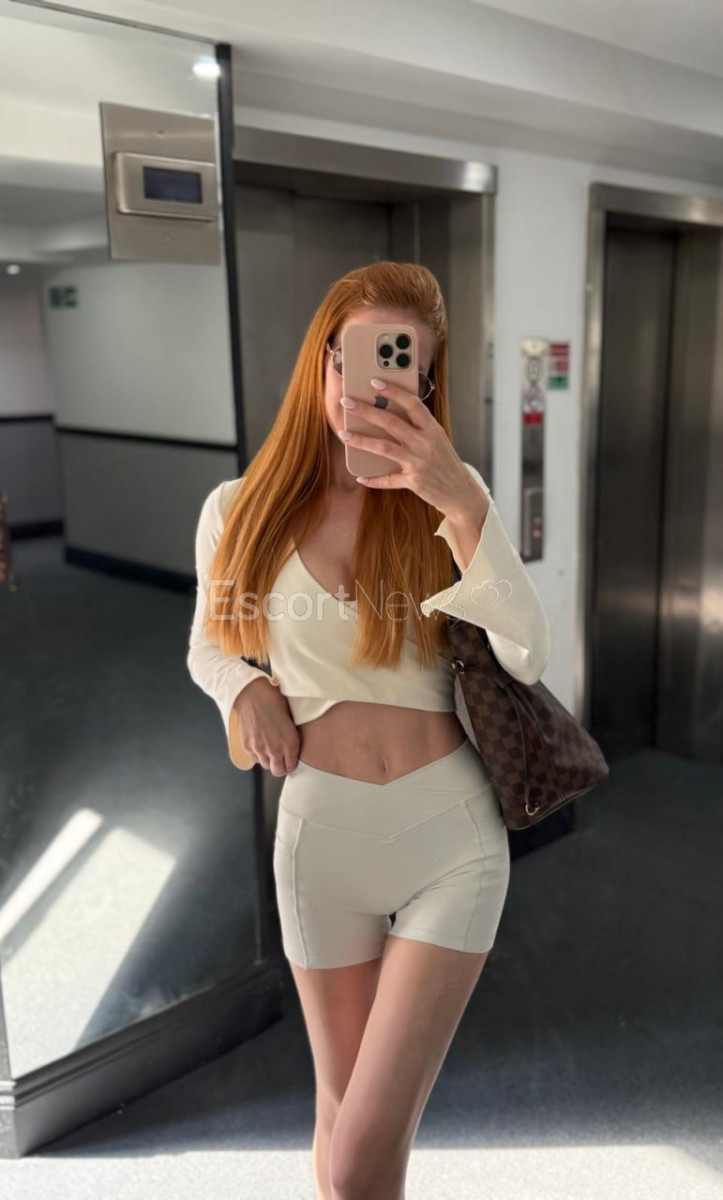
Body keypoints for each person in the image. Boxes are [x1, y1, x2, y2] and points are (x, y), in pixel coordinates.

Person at [187, 262, 551, 1200]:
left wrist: (461, 506)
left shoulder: (450, 497)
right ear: (322, 361)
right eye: (354, 360)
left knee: (356, 1159)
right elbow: (208, 645)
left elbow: (526, 653)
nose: (372, 387)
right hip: (321, 838)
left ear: (424, 384)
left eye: (403, 369)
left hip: (451, 838)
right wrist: (243, 688)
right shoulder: (237, 509)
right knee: (340, 1113)